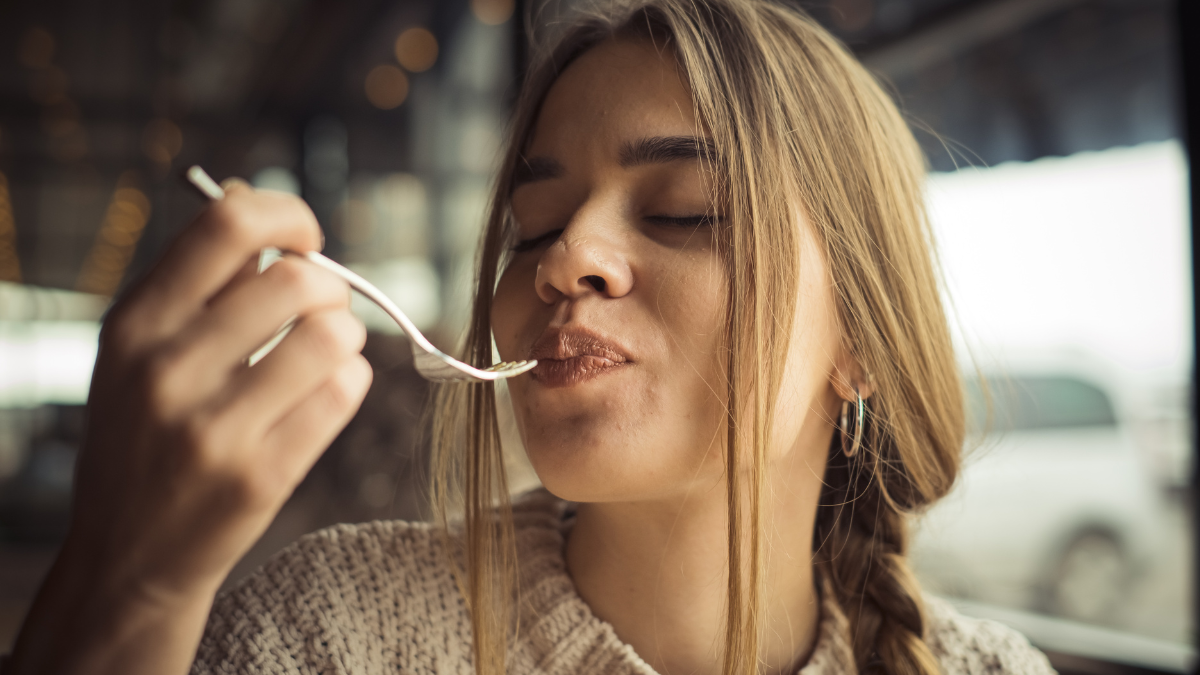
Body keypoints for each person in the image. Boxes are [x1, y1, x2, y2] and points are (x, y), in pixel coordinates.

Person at [5, 0, 1057, 673]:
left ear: (863, 339)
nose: (562, 260)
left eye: (685, 209)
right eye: (535, 225)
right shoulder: (330, 633)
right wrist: (124, 588)